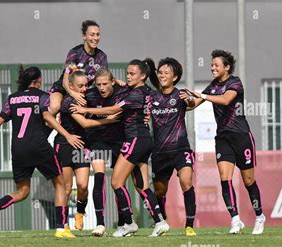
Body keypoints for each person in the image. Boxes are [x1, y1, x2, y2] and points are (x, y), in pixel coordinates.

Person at [0, 66, 84, 238]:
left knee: (22, 191)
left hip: (19, 149)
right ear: (38, 81)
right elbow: (47, 117)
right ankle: (61, 228)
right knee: (60, 184)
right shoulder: (42, 97)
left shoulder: (12, 99)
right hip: (39, 146)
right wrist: (67, 135)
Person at [71, 59, 170, 237]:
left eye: (132, 73)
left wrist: (84, 110)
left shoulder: (135, 94)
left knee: (116, 181)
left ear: (143, 76)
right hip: (144, 139)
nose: (128, 76)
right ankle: (160, 222)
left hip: (135, 139)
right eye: (127, 73)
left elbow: (112, 110)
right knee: (142, 186)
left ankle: (129, 223)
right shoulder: (145, 91)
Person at [185, 49, 265, 235]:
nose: (212, 67)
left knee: (248, 180)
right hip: (223, 138)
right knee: (224, 178)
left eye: (216, 65)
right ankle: (235, 220)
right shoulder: (212, 86)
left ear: (227, 67)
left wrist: (201, 96)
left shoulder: (235, 82)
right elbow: (193, 105)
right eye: (211, 64)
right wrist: (184, 99)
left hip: (241, 136)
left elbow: (225, 100)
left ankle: (259, 216)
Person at [55, 70, 121, 232]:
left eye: (86, 85)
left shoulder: (88, 97)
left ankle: (80, 211)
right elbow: (84, 124)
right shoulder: (69, 101)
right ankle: (63, 226)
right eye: (80, 86)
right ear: (71, 86)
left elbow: (107, 88)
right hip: (65, 144)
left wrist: (119, 82)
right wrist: (109, 120)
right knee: (67, 187)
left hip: (81, 145)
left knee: (83, 185)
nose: (85, 88)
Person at [146, 57, 197, 237]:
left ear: (175, 77)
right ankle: (162, 219)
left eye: (166, 73)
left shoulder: (180, 95)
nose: (162, 75)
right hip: (159, 152)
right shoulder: (152, 97)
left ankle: (189, 225)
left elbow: (191, 103)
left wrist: (190, 99)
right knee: (160, 190)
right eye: (160, 72)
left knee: (186, 182)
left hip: (181, 149)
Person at [49, 20, 109, 116]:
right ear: (84, 36)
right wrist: (74, 94)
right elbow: (65, 81)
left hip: (83, 90)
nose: (95, 38)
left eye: (98, 34)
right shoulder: (75, 53)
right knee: (55, 107)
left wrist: (117, 81)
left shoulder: (101, 57)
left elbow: (105, 78)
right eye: (92, 35)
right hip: (64, 88)